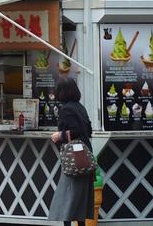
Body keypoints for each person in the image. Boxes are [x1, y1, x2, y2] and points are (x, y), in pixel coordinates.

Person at [47, 77, 94, 226]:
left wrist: (59, 135)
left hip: (73, 159)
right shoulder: (80, 107)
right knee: (81, 198)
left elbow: (76, 131)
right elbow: (88, 130)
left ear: (62, 92)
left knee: (68, 196)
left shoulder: (66, 109)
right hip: (85, 157)